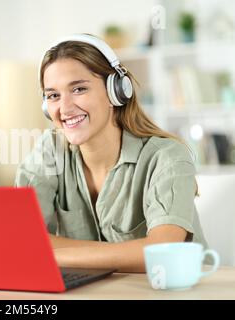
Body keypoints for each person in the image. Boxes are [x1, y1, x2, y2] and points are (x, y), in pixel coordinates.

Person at [15, 34, 208, 273]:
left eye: (78, 89)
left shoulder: (167, 157)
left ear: (116, 91)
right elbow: (19, 238)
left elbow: (162, 251)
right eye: (53, 95)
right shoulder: (51, 150)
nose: (64, 108)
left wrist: (53, 254)